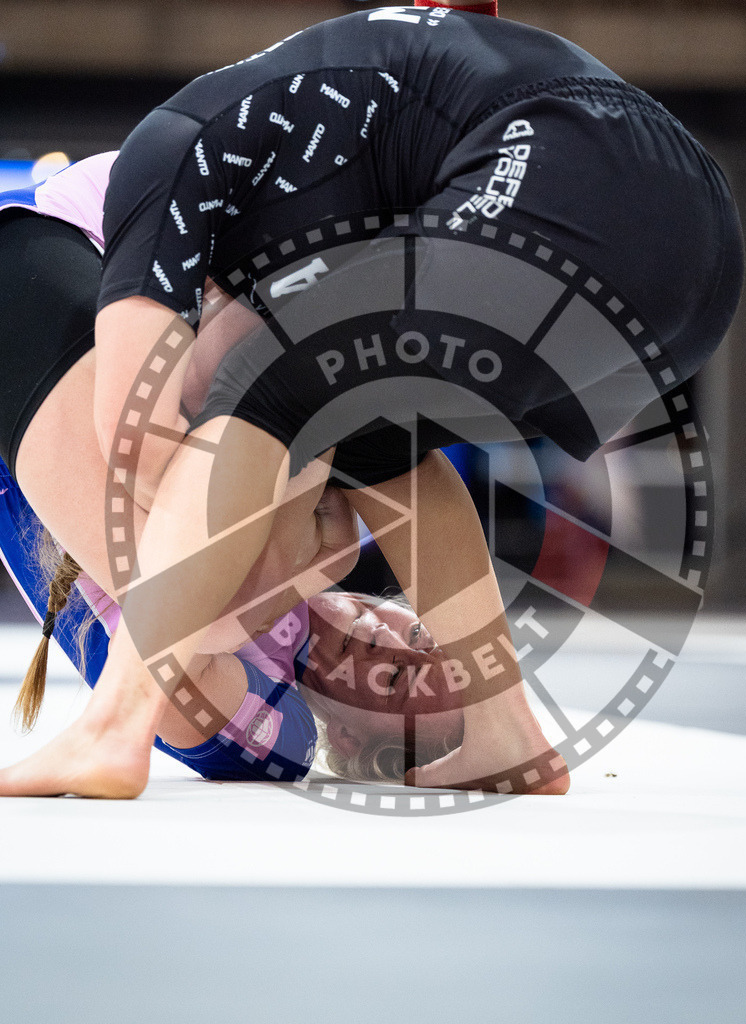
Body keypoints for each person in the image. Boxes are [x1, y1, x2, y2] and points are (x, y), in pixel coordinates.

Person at [0, 6, 742, 798]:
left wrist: (262, 547)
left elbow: (155, 451)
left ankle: (113, 727)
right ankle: (504, 735)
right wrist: (280, 547)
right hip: (694, 274)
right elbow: (149, 446)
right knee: (371, 436)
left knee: (265, 390)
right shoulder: (212, 168)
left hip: (580, 176)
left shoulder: (201, 165)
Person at [0, 155, 460, 787]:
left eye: (397, 677)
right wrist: (322, 557)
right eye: (422, 635)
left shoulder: (280, 739)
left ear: (349, 737)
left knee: (210, 612)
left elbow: (189, 659)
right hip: (123, 251)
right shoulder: (331, 542)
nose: (390, 639)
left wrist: (317, 561)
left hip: (68, 289)